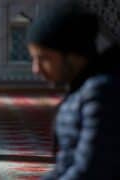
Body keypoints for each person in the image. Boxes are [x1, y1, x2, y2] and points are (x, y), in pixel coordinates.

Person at [26, 1, 120, 179]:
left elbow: (90, 170)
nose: (36, 69)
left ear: (73, 55)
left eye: (44, 58)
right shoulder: (84, 88)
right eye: (33, 59)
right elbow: (67, 164)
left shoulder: (102, 91)